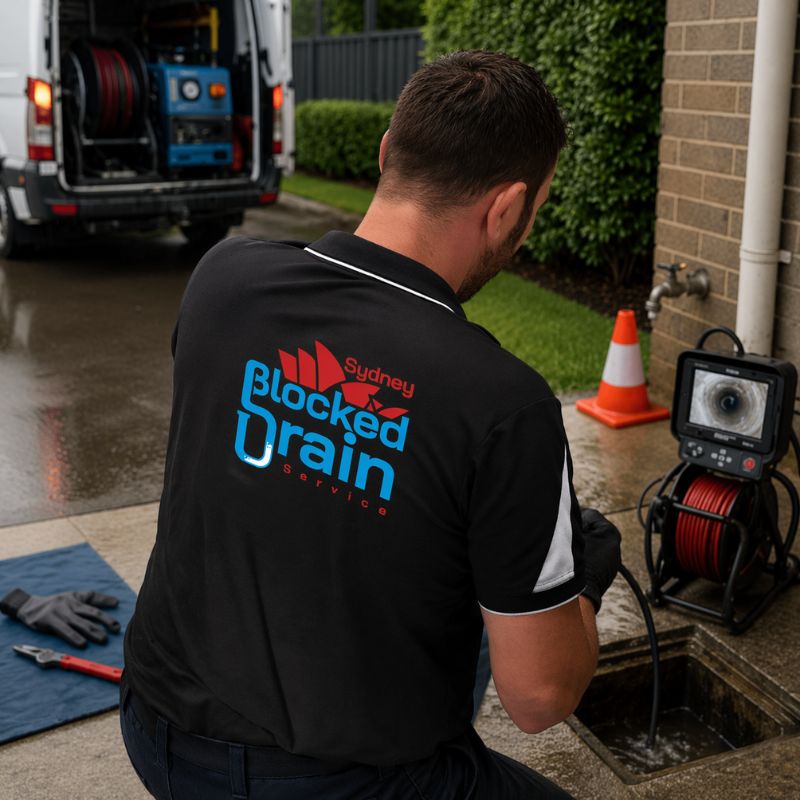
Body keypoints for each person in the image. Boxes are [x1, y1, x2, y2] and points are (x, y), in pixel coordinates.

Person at [120, 50, 621, 799]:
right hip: (334, 783)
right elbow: (539, 699)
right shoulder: (503, 405)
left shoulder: (224, 280)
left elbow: (282, 477)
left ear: (388, 151)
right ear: (510, 208)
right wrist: (580, 579)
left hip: (153, 726)